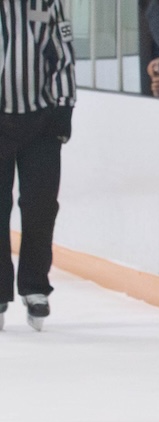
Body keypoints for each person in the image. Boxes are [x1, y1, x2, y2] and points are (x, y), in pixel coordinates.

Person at [1, 0, 75, 332]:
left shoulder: (45, 2)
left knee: (41, 206)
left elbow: (63, 54)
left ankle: (34, 287)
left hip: (41, 121)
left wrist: (64, 109)